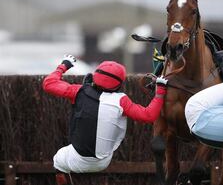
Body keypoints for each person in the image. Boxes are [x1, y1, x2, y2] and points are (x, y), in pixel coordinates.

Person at [42, 56, 168, 185]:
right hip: (103, 161)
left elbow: (48, 84)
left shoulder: (78, 91)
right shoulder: (122, 100)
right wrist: (160, 92)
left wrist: (64, 65)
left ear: (95, 76)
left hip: (78, 157)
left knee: (58, 160)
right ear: (119, 84)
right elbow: (149, 116)